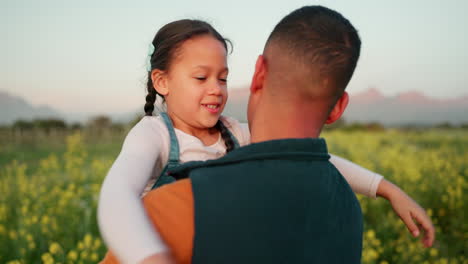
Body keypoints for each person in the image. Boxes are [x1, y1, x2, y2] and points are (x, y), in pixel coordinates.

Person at [99, 7, 434, 264]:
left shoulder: (232, 132)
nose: (216, 89)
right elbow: (116, 195)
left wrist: (385, 188)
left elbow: (308, 156)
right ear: (162, 82)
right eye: (201, 78)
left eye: (223, 78)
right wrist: (150, 256)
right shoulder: (154, 134)